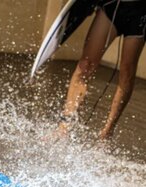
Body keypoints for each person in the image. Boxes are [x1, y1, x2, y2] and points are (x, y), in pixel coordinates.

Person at [58, 0, 146, 140]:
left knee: (127, 73)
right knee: (86, 64)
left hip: (140, 13)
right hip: (112, 5)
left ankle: (107, 132)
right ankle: (65, 126)